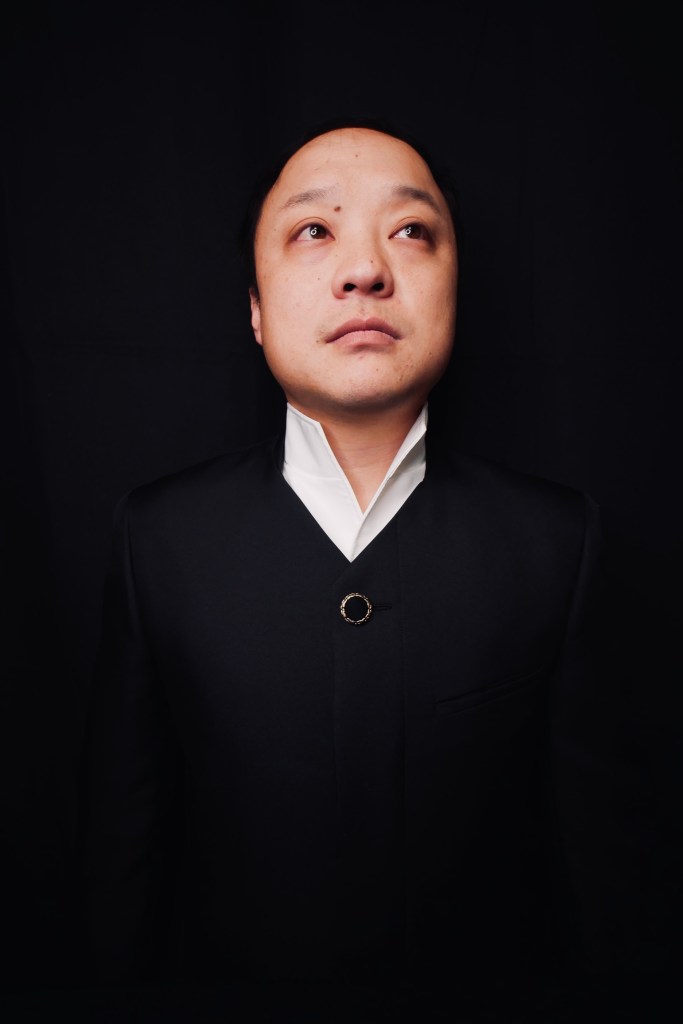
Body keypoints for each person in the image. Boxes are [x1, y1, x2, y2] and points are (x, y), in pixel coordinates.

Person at [83, 120, 633, 1020]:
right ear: (254, 308)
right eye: (314, 230)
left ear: (455, 287)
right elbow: (119, 871)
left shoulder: (557, 542)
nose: (365, 270)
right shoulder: (157, 540)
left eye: (411, 231)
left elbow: (606, 892)